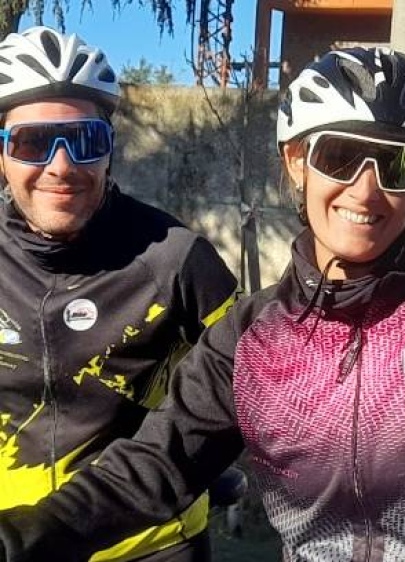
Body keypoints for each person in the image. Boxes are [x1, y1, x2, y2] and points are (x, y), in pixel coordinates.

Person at [0, 46, 405, 561]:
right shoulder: (250, 334)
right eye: (340, 157)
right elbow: (154, 467)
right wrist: (20, 537)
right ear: (296, 161)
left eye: (398, 165)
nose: (366, 189)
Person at [0, 27, 237, 562]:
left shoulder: (176, 258)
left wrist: (209, 462)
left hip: (147, 545)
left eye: (85, 140)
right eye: (32, 142)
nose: (61, 166)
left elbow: (251, 387)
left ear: (110, 150)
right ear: (1, 155)